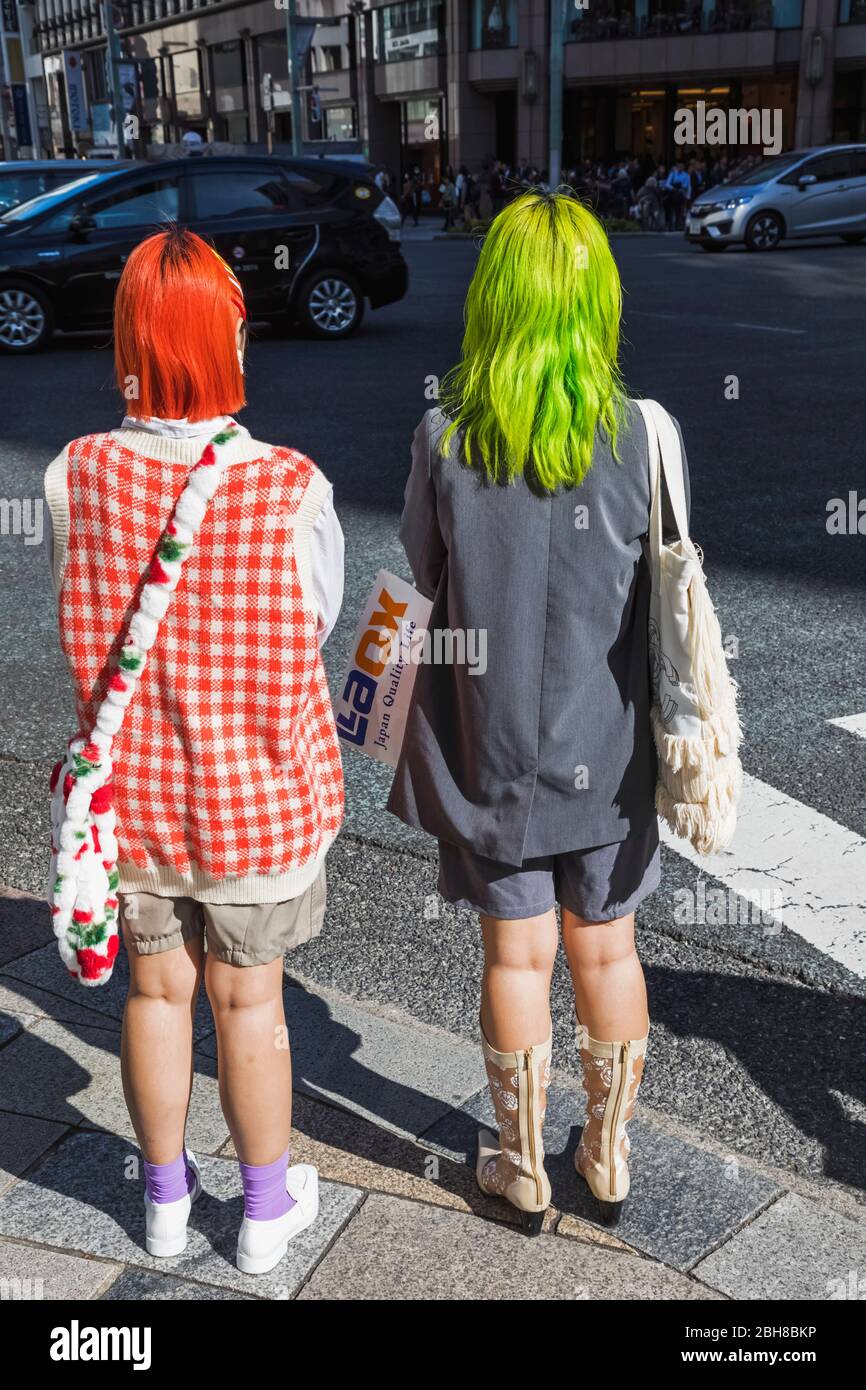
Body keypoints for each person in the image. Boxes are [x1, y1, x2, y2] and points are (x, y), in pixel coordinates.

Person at [43, 227, 345, 1274]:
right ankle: (265, 1212)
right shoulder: (290, 484)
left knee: (154, 994)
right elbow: (312, 623)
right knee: (248, 1002)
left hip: (136, 809)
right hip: (253, 799)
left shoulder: (72, 474)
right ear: (228, 342)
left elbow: (77, 612)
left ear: (127, 342)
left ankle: (164, 1203)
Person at [388, 190, 690, 1234]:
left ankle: (515, 1165)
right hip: (609, 759)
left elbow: (416, 576)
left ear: (494, 303)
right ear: (594, 303)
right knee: (607, 947)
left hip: (492, 751)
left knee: (513, 956)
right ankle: (603, 1160)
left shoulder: (445, 435)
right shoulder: (643, 433)